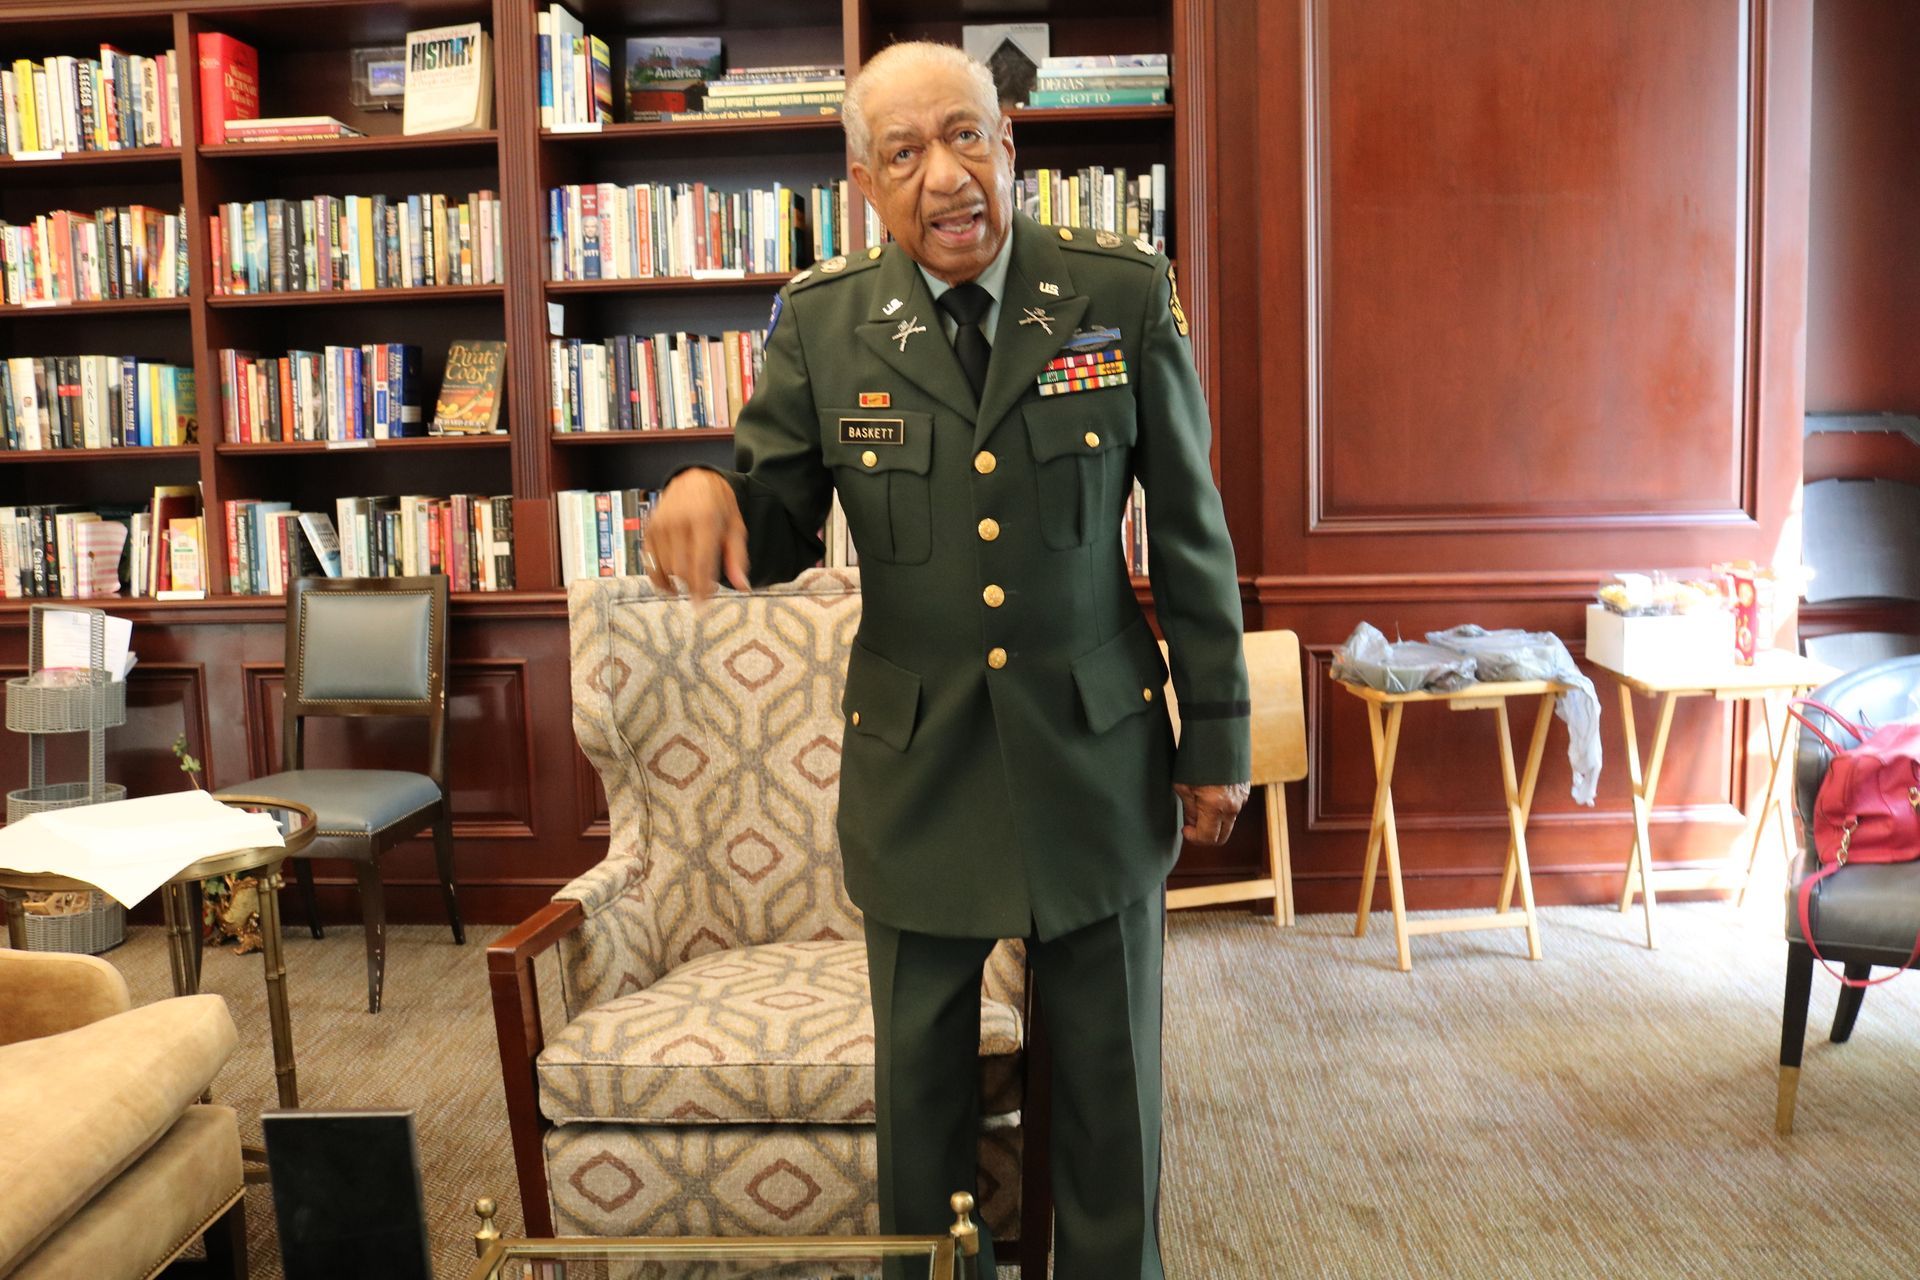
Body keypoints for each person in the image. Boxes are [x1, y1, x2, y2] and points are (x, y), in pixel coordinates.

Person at [642, 40, 1250, 1280]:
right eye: (906, 152)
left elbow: (1191, 534)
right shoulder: (825, 326)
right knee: (922, 1111)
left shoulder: (1119, 292)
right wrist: (708, 483)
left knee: (1108, 1090)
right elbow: (768, 510)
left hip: (1097, 754)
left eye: (966, 135)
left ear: (1011, 144)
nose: (946, 176)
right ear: (863, 181)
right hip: (917, 771)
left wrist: (1219, 740)